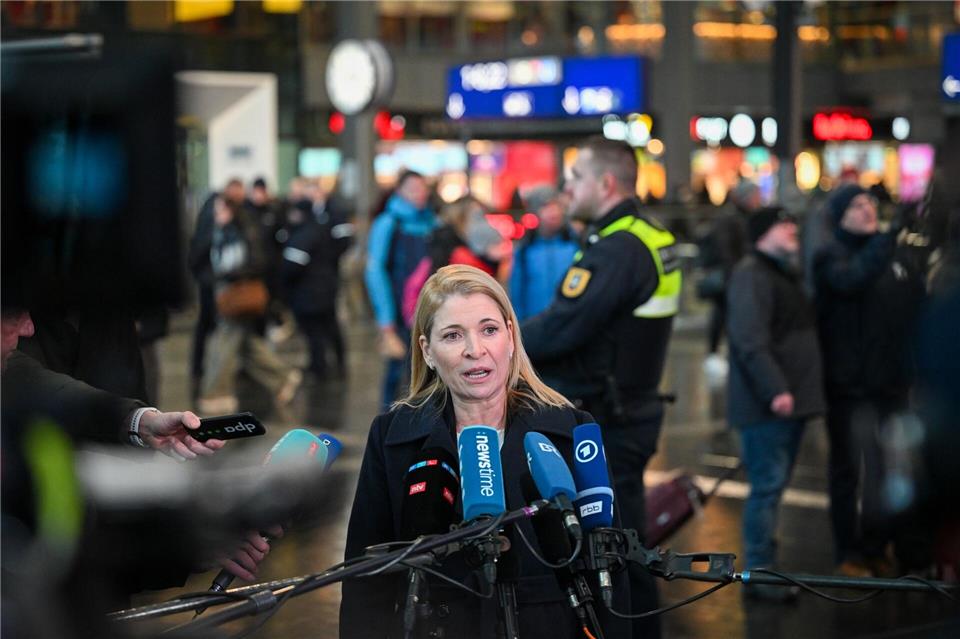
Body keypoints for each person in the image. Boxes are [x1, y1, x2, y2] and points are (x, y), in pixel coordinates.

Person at [341, 265, 631, 639]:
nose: (475, 350)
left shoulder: (571, 431)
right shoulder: (391, 438)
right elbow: (366, 581)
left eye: (489, 330)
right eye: (452, 335)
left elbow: (612, 574)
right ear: (427, 351)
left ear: (510, 337)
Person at [521, 137, 680, 637]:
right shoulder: (645, 235)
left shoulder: (617, 249)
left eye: (575, 178)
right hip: (631, 406)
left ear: (606, 183)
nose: (566, 189)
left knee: (616, 546)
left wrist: (500, 342)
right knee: (622, 540)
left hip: (610, 417)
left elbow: (563, 326)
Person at [813, 184, 926, 577]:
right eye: (856, 205)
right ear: (839, 217)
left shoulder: (893, 255)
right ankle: (848, 551)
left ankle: (878, 545)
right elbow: (851, 280)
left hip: (891, 384)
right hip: (848, 388)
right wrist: (889, 236)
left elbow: (916, 308)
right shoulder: (831, 257)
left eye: (869, 203)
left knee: (888, 471)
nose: (867, 210)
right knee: (848, 472)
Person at [726, 207, 825, 601]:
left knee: (772, 487)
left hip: (785, 403)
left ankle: (766, 568)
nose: (792, 229)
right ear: (763, 234)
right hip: (767, 406)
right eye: (784, 225)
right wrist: (775, 390)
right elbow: (750, 340)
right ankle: (760, 573)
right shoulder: (752, 275)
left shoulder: (781, 272)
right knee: (766, 489)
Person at [198, 197, 300, 415]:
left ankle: (217, 393)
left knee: (223, 343)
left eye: (221, 210)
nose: (217, 215)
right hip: (227, 297)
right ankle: (283, 378)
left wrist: (230, 275)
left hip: (239, 297)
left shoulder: (244, 231)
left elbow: (256, 262)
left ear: (231, 210)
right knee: (247, 346)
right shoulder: (220, 233)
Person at [365, 171, 437, 410]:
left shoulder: (431, 221)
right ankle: (388, 423)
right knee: (398, 372)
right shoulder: (388, 223)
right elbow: (375, 271)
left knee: (428, 371)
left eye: (422, 187)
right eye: (413, 188)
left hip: (428, 309)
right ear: (400, 191)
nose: (419, 193)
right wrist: (385, 319)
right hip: (398, 312)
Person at [279, 198, 351, 379]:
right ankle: (340, 363)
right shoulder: (321, 228)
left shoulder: (303, 234)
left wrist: (284, 286)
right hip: (327, 287)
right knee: (331, 326)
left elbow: (292, 267)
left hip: (309, 292)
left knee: (314, 332)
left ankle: (319, 368)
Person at [188, 178, 246, 401]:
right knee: (218, 334)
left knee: (226, 337)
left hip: (223, 287)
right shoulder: (217, 224)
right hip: (214, 285)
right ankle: (213, 389)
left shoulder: (230, 227)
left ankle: (214, 389)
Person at [697, 180, 761, 369]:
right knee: (722, 314)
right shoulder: (730, 218)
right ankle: (714, 353)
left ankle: (726, 353)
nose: (758, 200)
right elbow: (726, 249)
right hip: (730, 276)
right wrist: (735, 273)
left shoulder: (745, 217)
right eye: (754, 196)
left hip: (736, 275)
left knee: (729, 315)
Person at [510, 186, 579, 322]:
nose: (553, 212)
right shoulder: (525, 249)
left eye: (556, 205)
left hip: (570, 323)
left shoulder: (576, 244)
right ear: (535, 212)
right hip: (535, 325)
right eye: (545, 206)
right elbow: (517, 294)